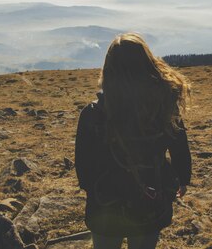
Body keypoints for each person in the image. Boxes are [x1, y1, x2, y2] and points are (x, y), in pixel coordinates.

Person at [75, 33, 192, 249]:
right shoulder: (163, 106)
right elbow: (179, 144)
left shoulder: (94, 113)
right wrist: (182, 177)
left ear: (109, 69)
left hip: (106, 202)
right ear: (148, 63)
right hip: (151, 196)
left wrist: (93, 188)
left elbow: (83, 165)